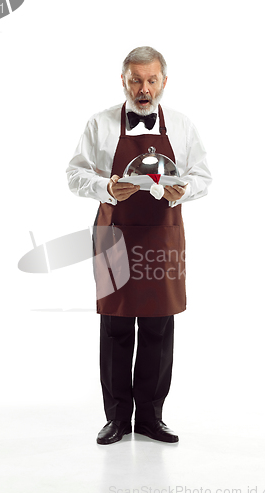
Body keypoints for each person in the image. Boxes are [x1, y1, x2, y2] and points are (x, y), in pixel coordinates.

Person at [66, 46, 212, 445]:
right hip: (115, 231)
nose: (144, 89)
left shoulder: (181, 125)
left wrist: (181, 193)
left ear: (164, 81)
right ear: (124, 81)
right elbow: (74, 175)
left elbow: (203, 175)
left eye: (151, 81)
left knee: (158, 326)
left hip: (162, 236)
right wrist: (107, 187)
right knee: (115, 326)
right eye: (136, 81)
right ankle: (116, 419)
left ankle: (150, 417)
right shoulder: (100, 124)